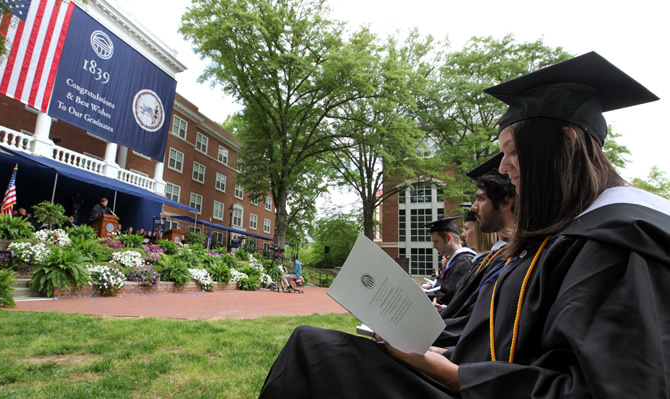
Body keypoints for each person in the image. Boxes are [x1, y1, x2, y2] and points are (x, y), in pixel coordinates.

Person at [259, 52, 670, 398]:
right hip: (476, 380)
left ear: (563, 141)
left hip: (478, 388)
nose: (504, 168)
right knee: (318, 346)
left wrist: (449, 371)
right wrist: (440, 353)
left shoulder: (621, 238)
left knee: (313, 350)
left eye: (512, 151)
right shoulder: (568, 235)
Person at [434, 165, 517, 347]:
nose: (474, 207)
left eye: (480, 198)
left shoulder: (514, 261)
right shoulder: (490, 259)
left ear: (506, 202)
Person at [423, 217, 475, 306]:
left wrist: (423, 295)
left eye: (436, 241)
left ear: (448, 238)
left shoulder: (464, 262)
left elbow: (447, 296)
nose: (434, 246)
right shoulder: (455, 261)